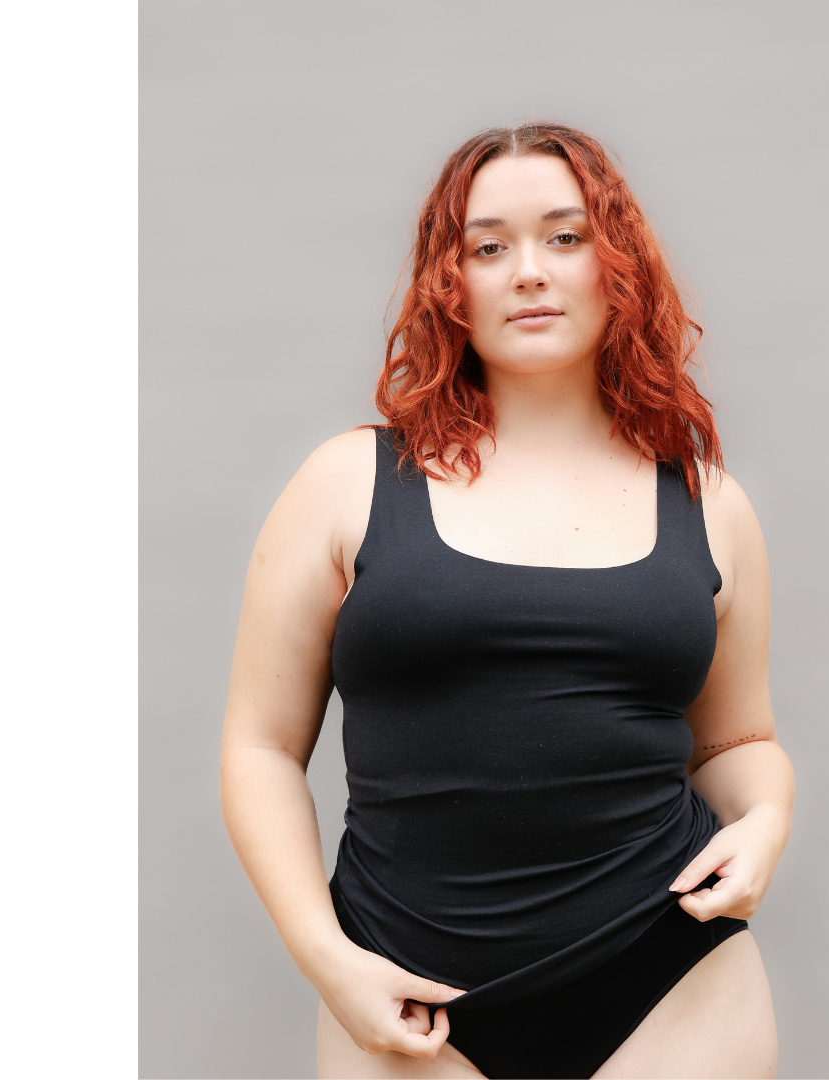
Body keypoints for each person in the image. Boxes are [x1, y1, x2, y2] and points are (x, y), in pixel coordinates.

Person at [220, 123, 794, 1080]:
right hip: (406, 997)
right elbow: (260, 749)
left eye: (566, 237)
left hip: (669, 976)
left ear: (619, 267)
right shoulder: (346, 485)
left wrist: (768, 819)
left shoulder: (710, 505)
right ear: (449, 283)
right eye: (489, 247)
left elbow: (739, 742)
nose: (530, 271)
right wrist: (327, 960)